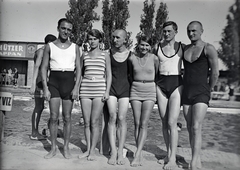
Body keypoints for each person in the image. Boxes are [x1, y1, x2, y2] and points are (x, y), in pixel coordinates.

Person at [41, 18, 81, 159]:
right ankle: (53, 148)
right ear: (58, 28)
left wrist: (76, 87)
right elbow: (44, 67)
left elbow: (79, 69)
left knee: (68, 117)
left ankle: (66, 147)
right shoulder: (50, 46)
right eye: (63, 28)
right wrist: (45, 88)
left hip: (69, 82)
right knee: (53, 117)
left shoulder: (75, 47)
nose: (66, 31)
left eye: (69, 29)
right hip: (54, 82)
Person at [182, 21, 219, 170]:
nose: (191, 34)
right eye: (189, 31)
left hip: (201, 92)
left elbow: (215, 73)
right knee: (190, 127)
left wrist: (208, 89)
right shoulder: (185, 48)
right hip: (187, 92)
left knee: (197, 126)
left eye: (194, 31)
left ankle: (195, 161)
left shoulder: (208, 49)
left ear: (201, 31)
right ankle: (194, 156)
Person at [153, 21, 184, 169]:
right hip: (161, 84)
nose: (166, 34)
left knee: (172, 122)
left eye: (169, 31)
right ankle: (168, 154)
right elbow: (153, 67)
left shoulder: (182, 47)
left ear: (175, 31)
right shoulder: (157, 47)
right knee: (164, 122)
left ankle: (172, 159)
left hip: (176, 83)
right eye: (164, 31)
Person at [79, 29, 112, 161]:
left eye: (95, 39)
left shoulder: (105, 55)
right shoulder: (84, 55)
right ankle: (87, 149)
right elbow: (80, 74)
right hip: (85, 89)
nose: (92, 41)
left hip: (99, 90)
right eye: (90, 39)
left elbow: (108, 74)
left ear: (100, 40)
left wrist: (107, 91)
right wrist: (77, 89)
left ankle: (93, 150)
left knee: (94, 122)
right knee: (86, 122)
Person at [128, 35, 159, 167]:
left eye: (147, 45)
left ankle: (137, 153)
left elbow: (157, 75)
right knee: (136, 122)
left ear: (151, 47)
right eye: (142, 44)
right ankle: (139, 154)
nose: (144, 47)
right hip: (135, 89)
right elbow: (130, 74)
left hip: (150, 90)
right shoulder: (132, 58)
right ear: (138, 45)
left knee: (144, 123)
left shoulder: (155, 58)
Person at [106, 29, 131, 165]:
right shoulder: (108, 53)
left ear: (125, 39)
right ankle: (113, 152)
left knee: (121, 118)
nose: (114, 40)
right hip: (112, 90)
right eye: (113, 37)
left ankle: (120, 151)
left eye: (118, 37)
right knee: (112, 116)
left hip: (125, 90)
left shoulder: (131, 55)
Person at [29, 34, 57, 140]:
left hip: (45, 82)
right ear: (49, 43)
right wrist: (32, 85)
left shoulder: (45, 52)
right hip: (40, 82)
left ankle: (48, 130)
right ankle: (34, 133)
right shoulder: (41, 51)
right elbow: (36, 67)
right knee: (38, 107)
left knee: (46, 107)